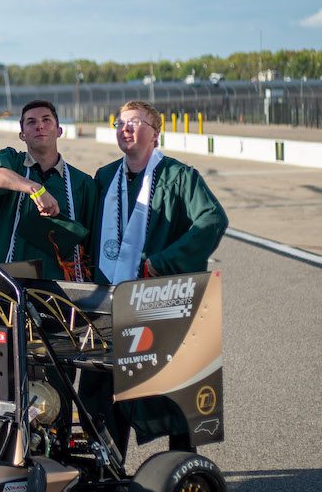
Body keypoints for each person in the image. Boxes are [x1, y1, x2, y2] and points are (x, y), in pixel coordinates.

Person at [87, 98, 229, 449]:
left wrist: (162, 261)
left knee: (171, 389)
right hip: (112, 300)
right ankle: (108, 473)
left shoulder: (179, 177)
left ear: (155, 134)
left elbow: (213, 219)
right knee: (107, 388)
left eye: (135, 123)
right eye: (121, 123)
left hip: (160, 301)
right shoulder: (105, 177)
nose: (126, 129)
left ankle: (181, 469)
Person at [0, 99, 95, 279]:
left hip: (59, 288)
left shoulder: (81, 183)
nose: (40, 126)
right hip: (4, 287)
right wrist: (34, 188)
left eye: (46, 120)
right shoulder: (12, 164)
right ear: (22, 135)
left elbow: (92, 244)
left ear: (59, 131)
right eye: (31, 122)